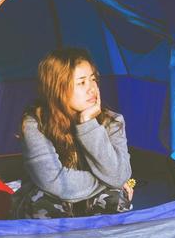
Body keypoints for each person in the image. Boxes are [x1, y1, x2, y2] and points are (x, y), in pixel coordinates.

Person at [11, 47, 134, 219]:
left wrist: (88, 124)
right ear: (58, 88)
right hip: (52, 197)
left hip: (91, 198)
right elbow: (55, 182)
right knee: (42, 201)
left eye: (93, 79)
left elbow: (119, 175)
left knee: (114, 199)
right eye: (81, 82)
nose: (92, 89)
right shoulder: (35, 123)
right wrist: (109, 181)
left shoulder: (112, 121)